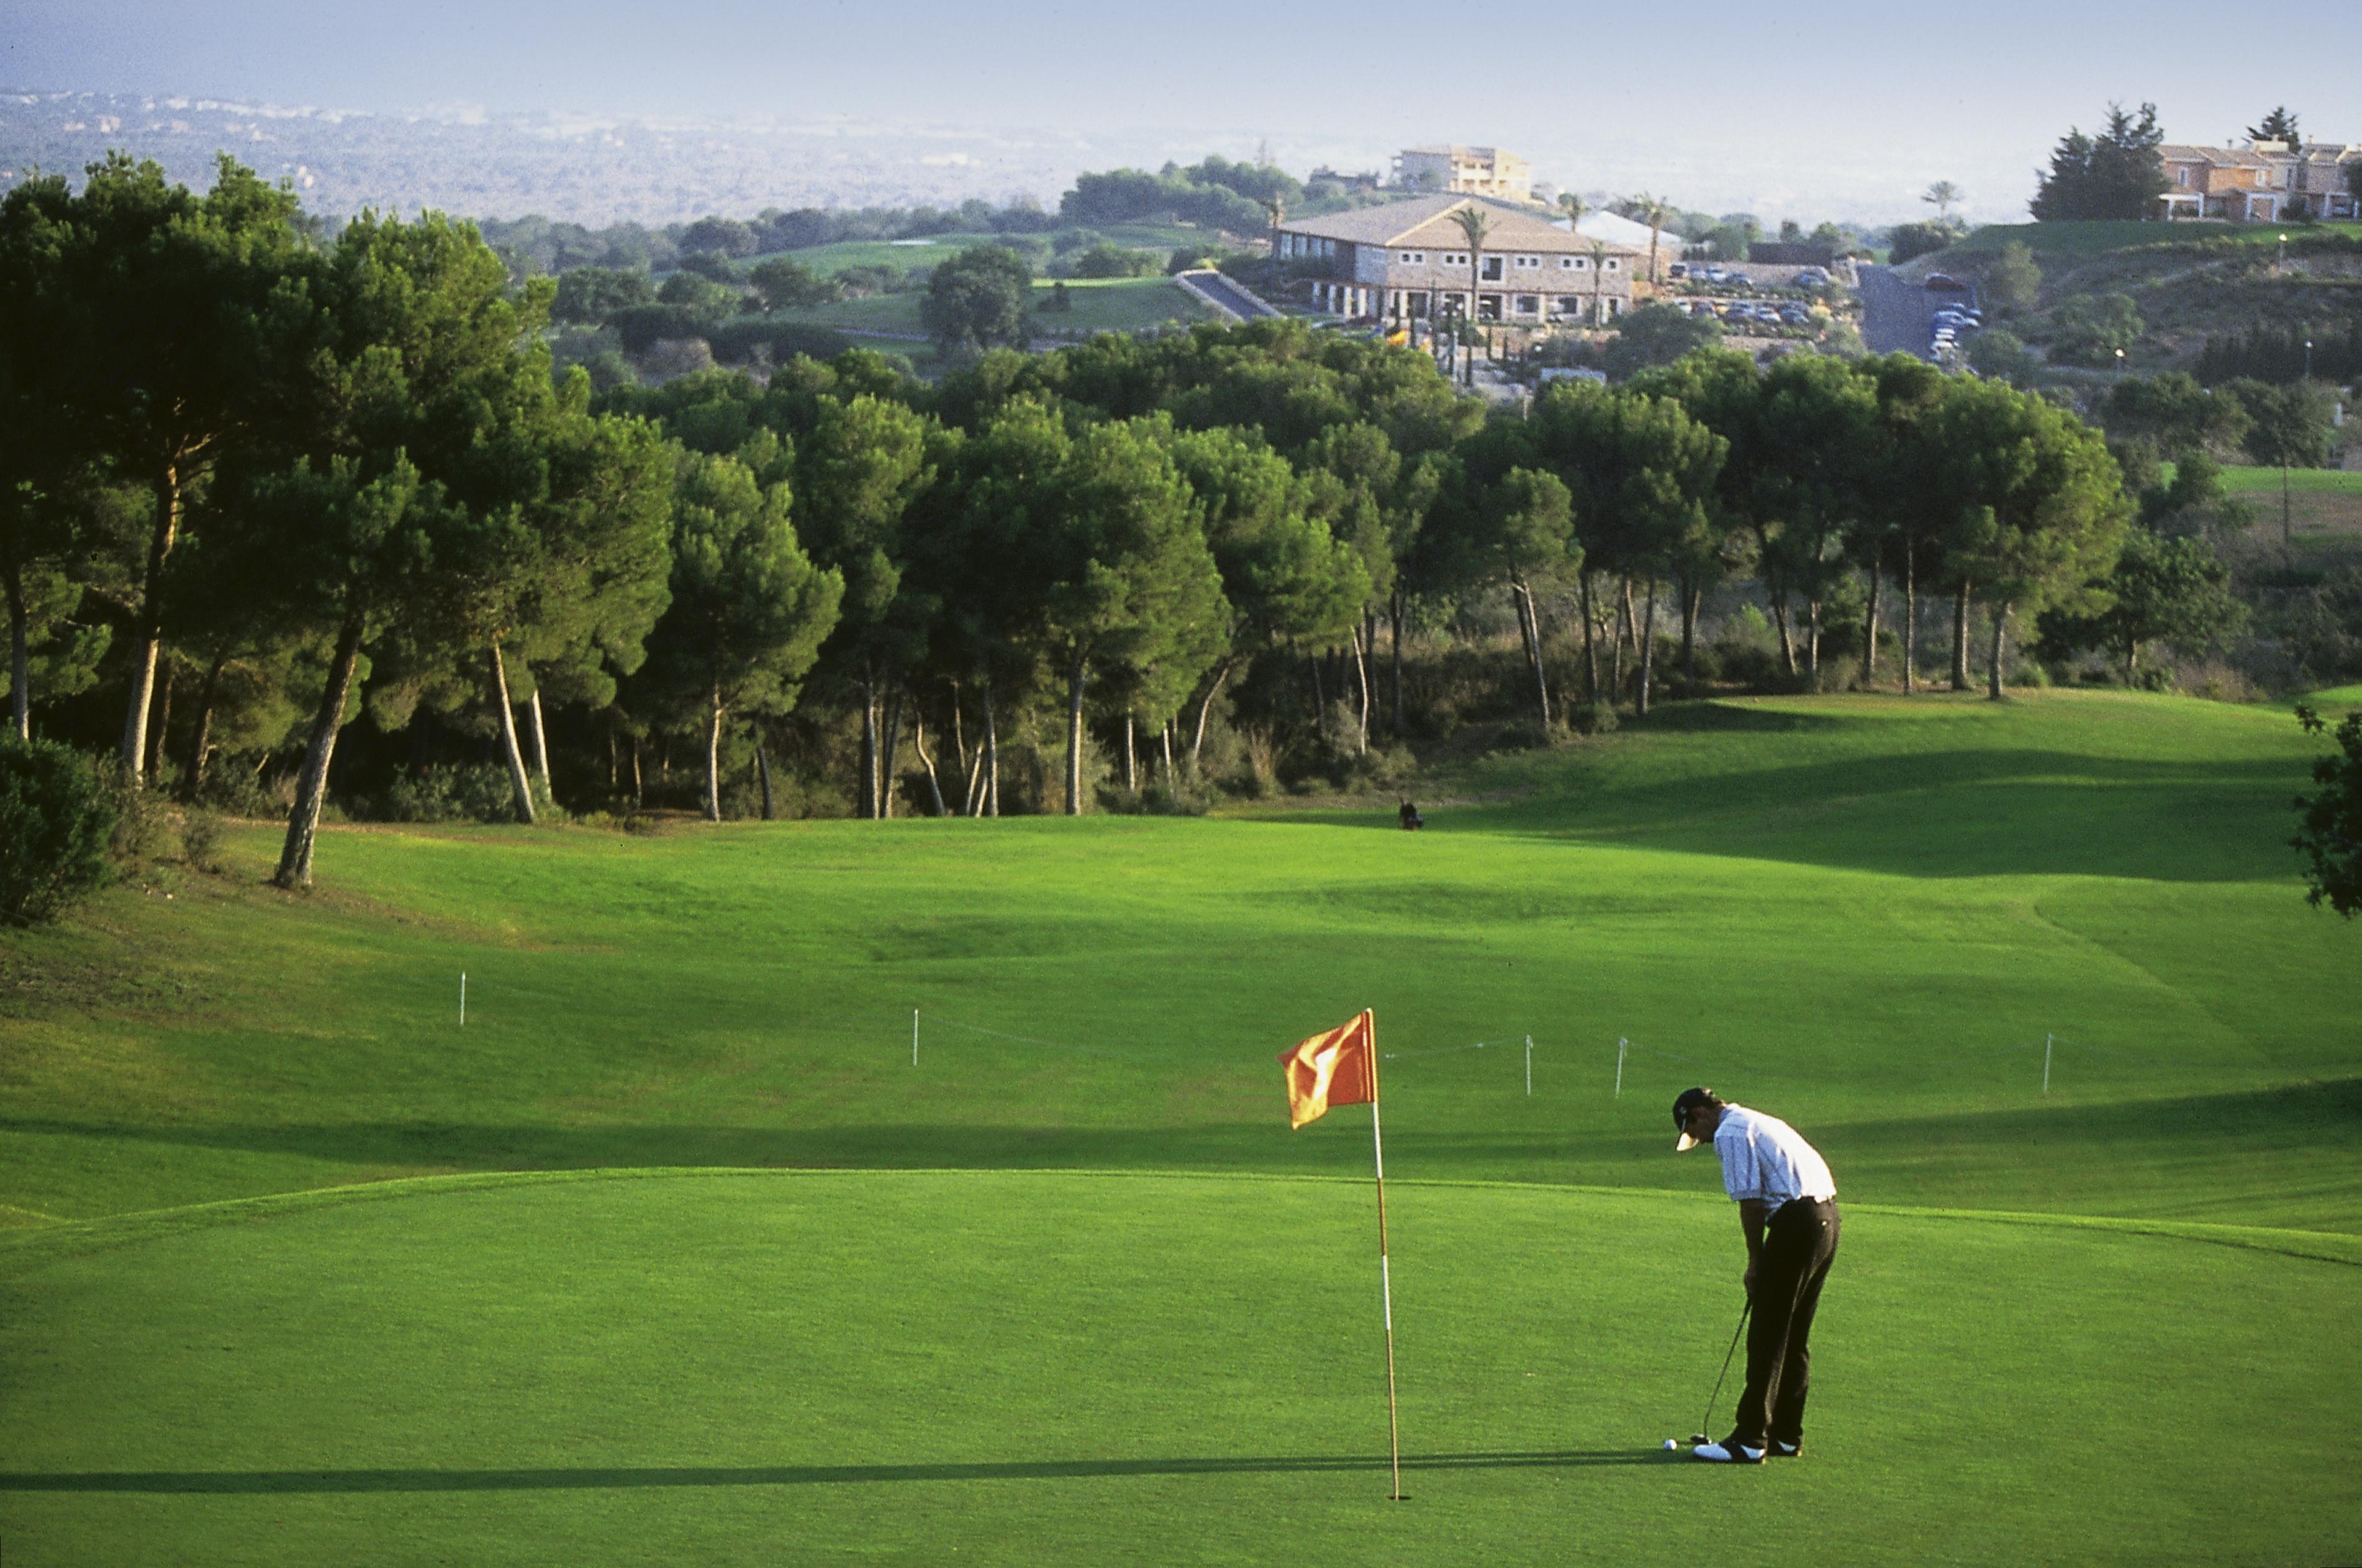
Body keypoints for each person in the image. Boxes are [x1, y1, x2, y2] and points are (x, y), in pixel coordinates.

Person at [1672, 1086, 1839, 1464]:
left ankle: (1750, 1439)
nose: (1698, 1141)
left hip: (1796, 1224)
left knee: (1767, 1332)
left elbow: (1750, 1201)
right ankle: (1784, 1435)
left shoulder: (1730, 1133)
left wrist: (1756, 1261)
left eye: (1693, 1133)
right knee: (1793, 1334)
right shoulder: (1757, 1120)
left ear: (1699, 1114)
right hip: (1827, 1221)